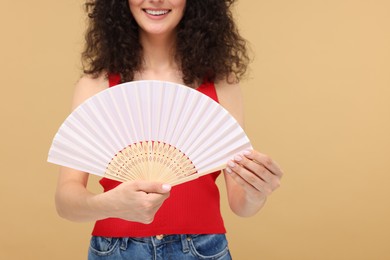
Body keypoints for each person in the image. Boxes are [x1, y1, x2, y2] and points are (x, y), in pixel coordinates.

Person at [55, 0, 283, 259]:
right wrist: (109, 205)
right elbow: (65, 202)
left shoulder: (221, 84)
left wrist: (257, 190)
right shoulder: (95, 86)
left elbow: (240, 204)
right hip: (116, 251)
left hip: (202, 250)